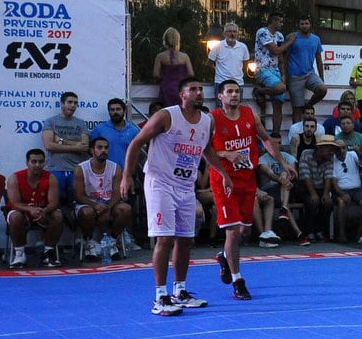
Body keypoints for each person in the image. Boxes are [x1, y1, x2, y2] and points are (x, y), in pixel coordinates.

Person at [120, 77, 229, 316]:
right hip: (160, 182)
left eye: (201, 89)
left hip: (185, 185)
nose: (199, 93)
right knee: (165, 239)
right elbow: (136, 143)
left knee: (185, 239)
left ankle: (180, 290)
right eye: (193, 89)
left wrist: (223, 173)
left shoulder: (207, 121)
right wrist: (127, 175)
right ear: (182, 95)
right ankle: (160, 296)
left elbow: (207, 149)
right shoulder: (166, 116)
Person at [209, 80, 282, 300]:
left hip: (247, 180)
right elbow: (204, 149)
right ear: (220, 96)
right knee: (231, 231)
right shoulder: (212, 118)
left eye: (237, 91)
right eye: (229, 92)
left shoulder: (250, 115)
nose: (234, 95)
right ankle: (237, 280)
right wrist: (226, 155)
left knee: (245, 232)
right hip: (224, 181)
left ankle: (224, 256)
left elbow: (266, 140)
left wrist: (283, 163)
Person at [73, 137, 133, 262]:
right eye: (99, 147)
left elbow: (118, 193)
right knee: (87, 213)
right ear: (92, 150)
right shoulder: (81, 168)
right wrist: (95, 205)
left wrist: (108, 207)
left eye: (106, 147)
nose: (103, 150)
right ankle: (90, 242)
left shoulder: (115, 167)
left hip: (108, 203)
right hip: (88, 203)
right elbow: (78, 195)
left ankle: (112, 240)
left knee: (125, 209)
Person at [5, 149, 64, 269]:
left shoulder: (50, 178)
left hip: (43, 212)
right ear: (27, 162)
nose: (38, 165)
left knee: (58, 215)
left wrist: (44, 211)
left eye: (41, 162)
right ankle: (19, 254)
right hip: (22, 212)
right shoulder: (15, 177)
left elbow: (54, 202)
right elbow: (14, 203)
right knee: (15, 217)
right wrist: (30, 209)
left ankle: (49, 253)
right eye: (34, 161)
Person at [41, 91, 88, 205]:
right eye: (69, 102)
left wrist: (61, 141)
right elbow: (49, 145)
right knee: (55, 204)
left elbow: (85, 147)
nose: (73, 105)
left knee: (77, 204)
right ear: (62, 104)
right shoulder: (50, 122)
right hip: (55, 170)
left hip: (76, 170)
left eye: (75, 103)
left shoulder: (81, 123)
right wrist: (76, 145)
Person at [252, 11, 294, 136]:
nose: (282, 24)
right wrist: (290, 41)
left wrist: (283, 74)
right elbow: (275, 50)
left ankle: (275, 135)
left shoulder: (279, 36)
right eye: (280, 21)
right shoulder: (262, 32)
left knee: (278, 105)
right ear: (274, 21)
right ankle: (259, 91)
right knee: (280, 88)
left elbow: (281, 56)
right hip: (263, 69)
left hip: (276, 70)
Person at [332, 141, 362, 246]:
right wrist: (341, 194)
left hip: (357, 189)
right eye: (338, 148)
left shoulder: (352, 155)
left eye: (343, 148)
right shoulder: (332, 160)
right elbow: (334, 184)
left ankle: (360, 232)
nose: (342, 151)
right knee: (341, 202)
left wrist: (358, 152)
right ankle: (341, 233)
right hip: (341, 190)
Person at [298, 135, 340, 243]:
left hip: (321, 187)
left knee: (328, 203)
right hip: (305, 188)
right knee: (312, 202)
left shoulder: (329, 158)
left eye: (333, 149)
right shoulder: (306, 154)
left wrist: (326, 194)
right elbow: (305, 175)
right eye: (329, 148)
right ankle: (309, 231)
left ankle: (320, 230)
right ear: (320, 148)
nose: (332, 152)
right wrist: (313, 193)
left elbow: (328, 176)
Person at [286, 15, 328, 111]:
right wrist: (285, 77)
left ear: (310, 25)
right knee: (297, 110)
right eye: (302, 24)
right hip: (294, 76)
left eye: (306, 23)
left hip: (310, 74)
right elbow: (285, 58)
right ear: (298, 25)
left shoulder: (316, 39)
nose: (304, 26)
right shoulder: (291, 37)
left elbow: (319, 60)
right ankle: (297, 125)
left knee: (323, 89)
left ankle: (308, 106)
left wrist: (321, 78)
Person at [152, 28, 194, 109]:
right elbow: (191, 74)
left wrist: (165, 79)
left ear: (165, 40)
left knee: (167, 111)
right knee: (181, 110)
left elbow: (156, 74)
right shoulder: (184, 56)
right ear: (178, 40)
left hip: (166, 87)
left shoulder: (160, 56)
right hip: (181, 87)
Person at [208, 23, 249, 87]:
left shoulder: (243, 47)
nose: (232, 34)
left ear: (237, 34)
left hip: (238, 83)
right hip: (221, 83)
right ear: (224, 34)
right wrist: (218, 73)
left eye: (234, 31)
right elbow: (209, 63)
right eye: (229, 31)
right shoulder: (218, 46)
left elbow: (245, 65)